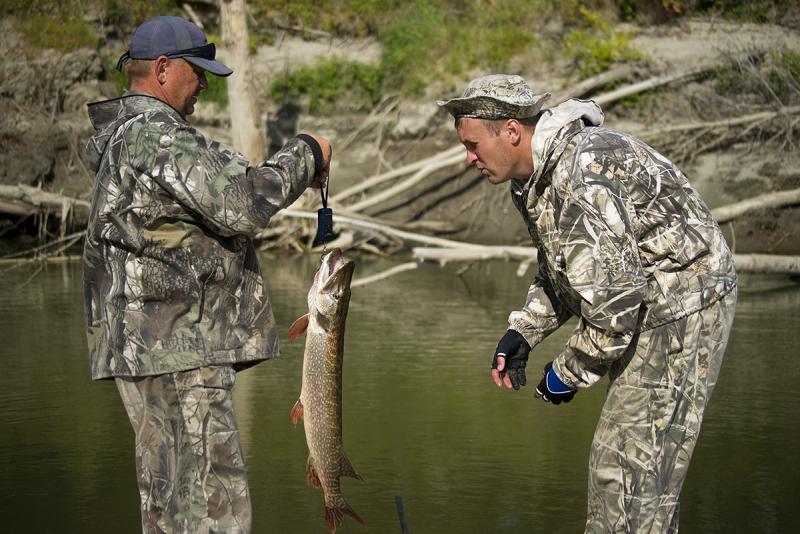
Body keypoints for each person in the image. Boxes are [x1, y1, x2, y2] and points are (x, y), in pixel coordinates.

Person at [437, 74, 737, 532]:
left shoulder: (581, 176)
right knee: (637, 479)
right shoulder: (535, 179)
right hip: (648, 299)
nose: (468, 158)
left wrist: (566, 375)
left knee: (624, 472)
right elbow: (565, 267)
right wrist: (526, 331)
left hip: (683, 303)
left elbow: (615, 308)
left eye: (474, 145)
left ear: (512, 132)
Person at [83, 16, 331, 534]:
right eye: (199, 73)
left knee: (170, 510)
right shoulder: (155, 136)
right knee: (214, 513)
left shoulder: (126, 138)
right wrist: (308, 152)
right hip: (178, 351)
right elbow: (243, 201)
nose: (204, 87)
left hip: (148, 351)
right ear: (165, 69)